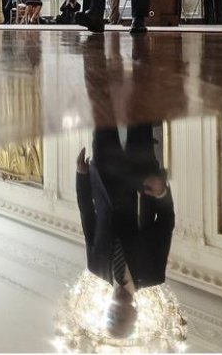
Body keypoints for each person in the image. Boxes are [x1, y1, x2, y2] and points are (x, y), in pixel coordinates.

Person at [75, 124, 174, 340]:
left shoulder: (96, 267)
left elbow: (87, 218)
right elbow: (166, 223)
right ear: (135, 315)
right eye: (121, 319)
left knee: (103, 108)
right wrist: (161, 193)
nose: (115, 314)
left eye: (110, 318)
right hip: (141, 174)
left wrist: (82, 177)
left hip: (104, 172)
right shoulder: (153, 274)